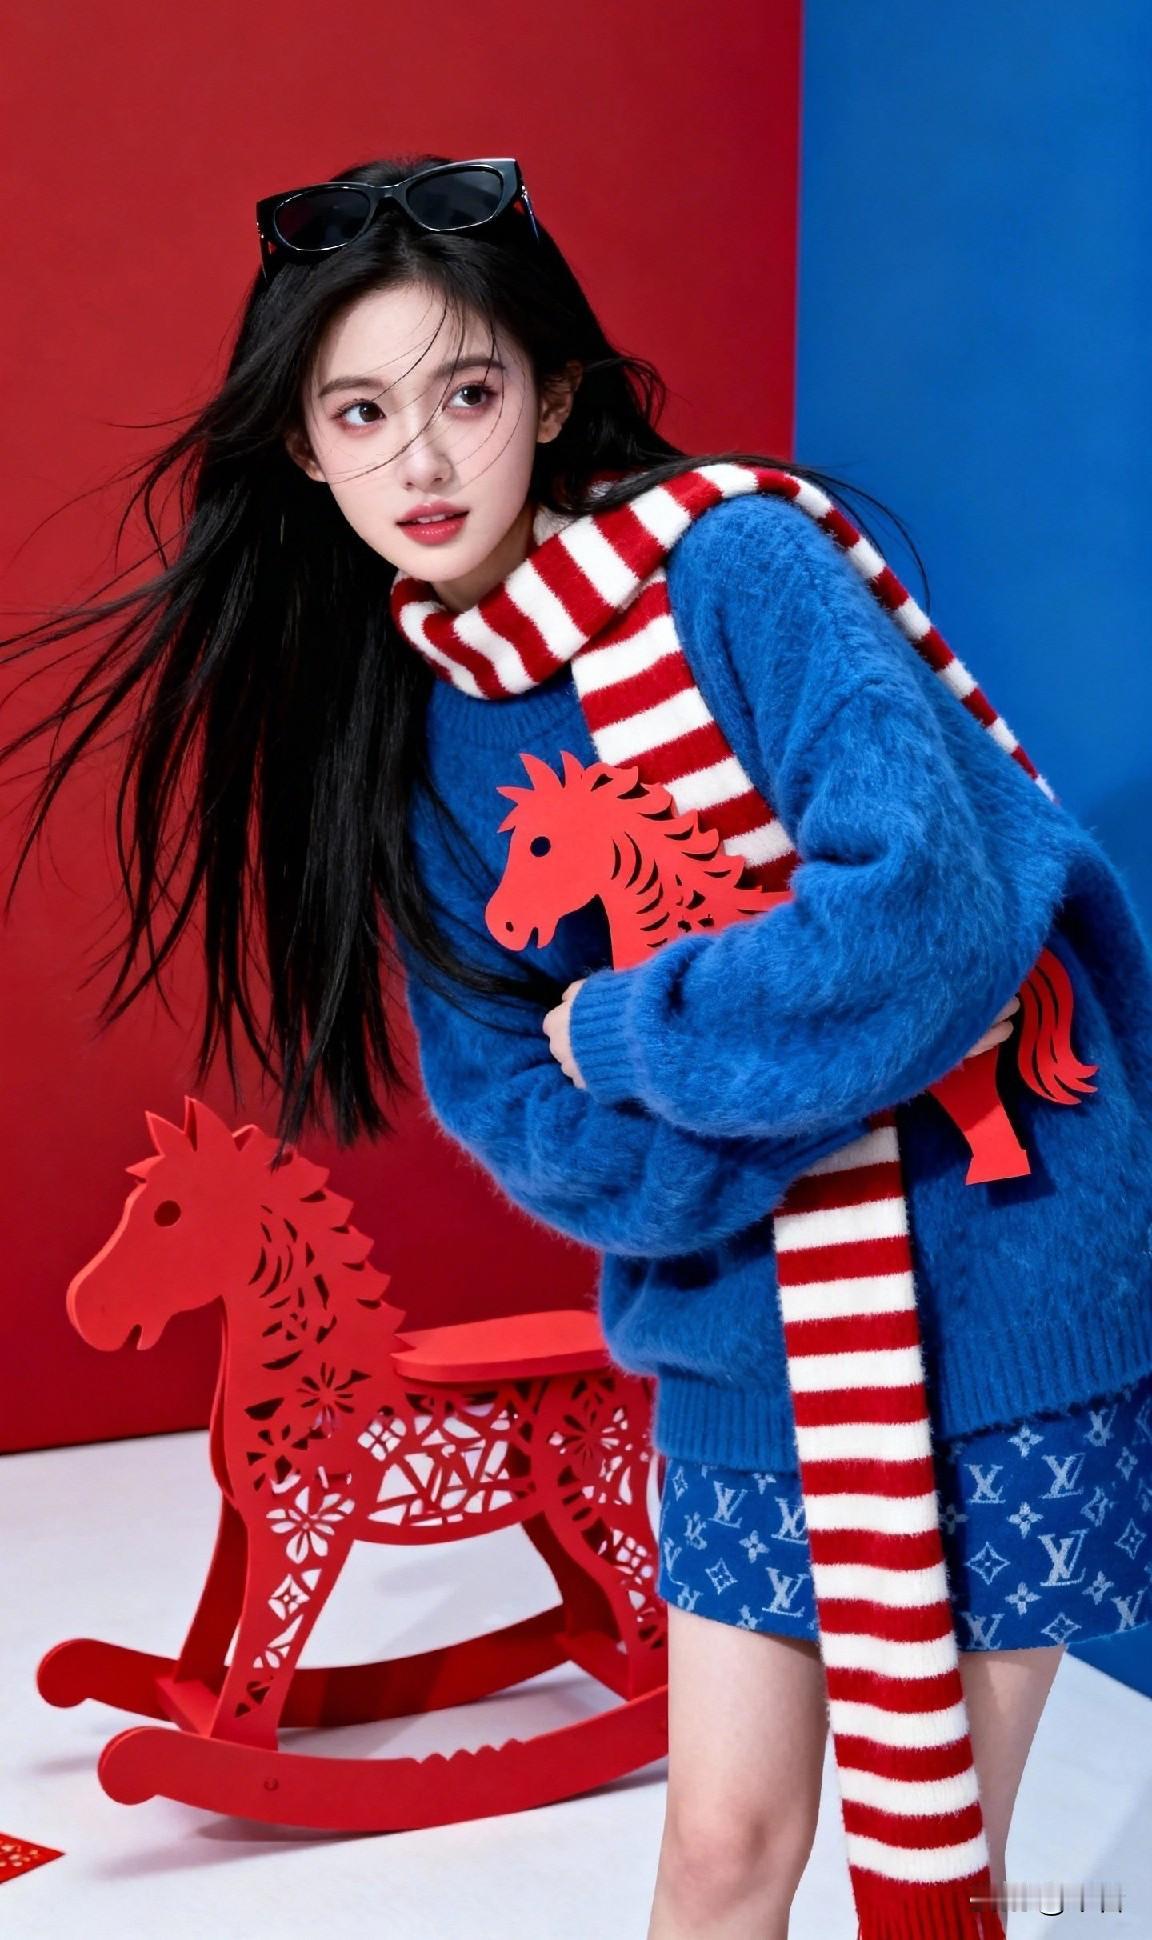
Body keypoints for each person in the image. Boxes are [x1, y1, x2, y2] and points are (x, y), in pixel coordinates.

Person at [3, 151, 1151, 1940]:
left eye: (466, 394)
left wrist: (625, 1027)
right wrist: (838, 1070)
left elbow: (922, 914)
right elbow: (524, 1116)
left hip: (1003, 1281)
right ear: (305, 448)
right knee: (718, 1857)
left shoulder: (738, 570)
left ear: (548, 394)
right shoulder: (412, 743)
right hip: (737, 1321)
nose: (424, 461)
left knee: (934, 1873)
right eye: (364, 413)